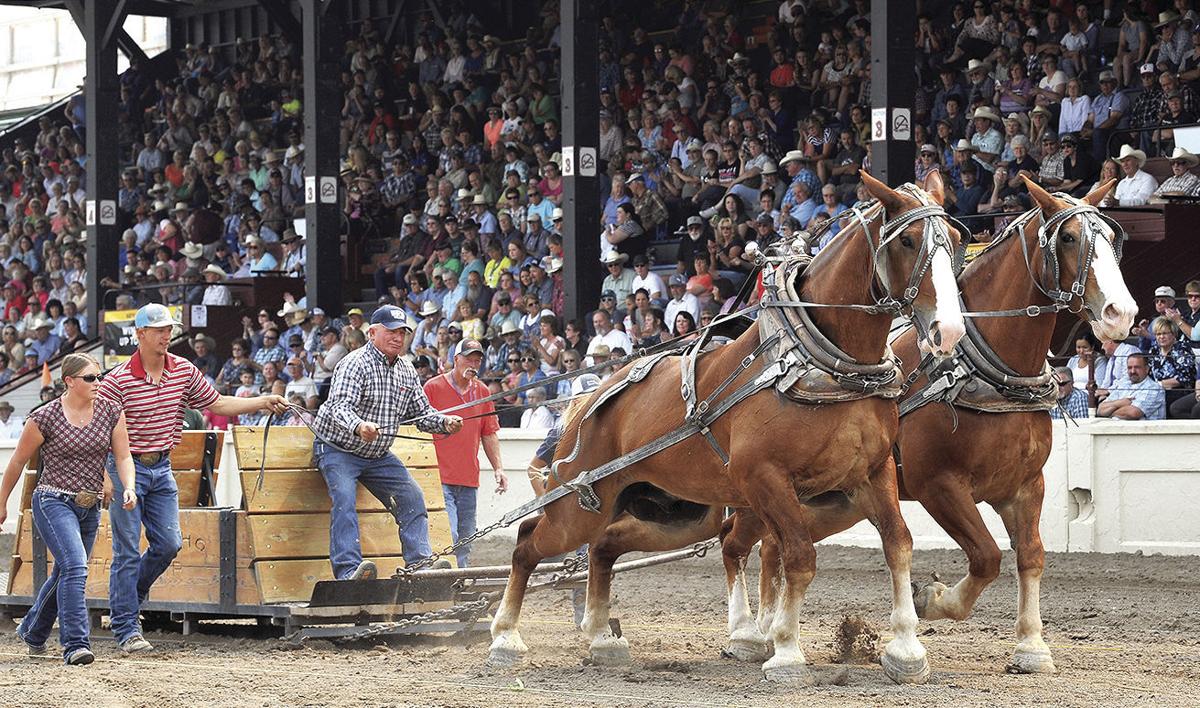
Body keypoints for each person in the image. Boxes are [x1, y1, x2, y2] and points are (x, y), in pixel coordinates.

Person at [98, 304, 286, 653]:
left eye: (169, 329)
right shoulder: (117, 380)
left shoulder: (183, 370)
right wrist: (105, 477)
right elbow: (99, 431)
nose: (166, 335)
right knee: (126, 549)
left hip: (161, 467)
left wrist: (262, 401)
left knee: (169, 544)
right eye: (158, 330)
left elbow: (218, 403)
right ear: (139, 334)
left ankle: (129, 600)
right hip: (126, 468)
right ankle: (126, 626)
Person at [0, 353, 138, 665]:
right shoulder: (44, 417)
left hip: (88, 505)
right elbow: (18, 463)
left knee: (66, 570)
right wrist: (2, 503)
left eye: (99, 377)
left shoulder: (112, 411)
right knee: (76, 567)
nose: (97, 383)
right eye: (90, 378)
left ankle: (33, 631)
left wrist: (128, 485)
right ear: (70, 381)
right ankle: (75, 644)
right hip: (52, 500)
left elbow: (123, 456)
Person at [311, 305, 464, 581]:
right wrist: (359, 426)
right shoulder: (354, 363)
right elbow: (339, 407)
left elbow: (422, 413)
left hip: (377, 454)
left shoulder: (406, 369)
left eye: (402, 332)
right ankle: (348, 572)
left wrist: (444, 422)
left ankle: (420, 567)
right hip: (337, 449)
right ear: (372, 333)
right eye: (391, 331)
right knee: (344, 498)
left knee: (412, 497)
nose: (398, 337)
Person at [422, 339, 507, 568]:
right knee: (448, 532)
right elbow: (421, 425)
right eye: (468, 359)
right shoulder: (433, 387)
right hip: (439, 475)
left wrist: (498, 467)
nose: (473, 364)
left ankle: (458, 582)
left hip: (469, 477)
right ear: (456, 359)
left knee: (466, 536)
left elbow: (489, 433)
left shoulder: (483, 391)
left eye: (477, 360)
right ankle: (443, 579)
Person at [1096, 353, 1165, 420]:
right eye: (1129, 367)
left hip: (1142, 430)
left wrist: (1109, 413)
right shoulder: (1124, 384)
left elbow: (1132, 413)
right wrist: (1120, 403)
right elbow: (1100, 409)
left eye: (1137, 367)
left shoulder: (1154, 388)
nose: (1132, 371)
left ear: (1146, 369)